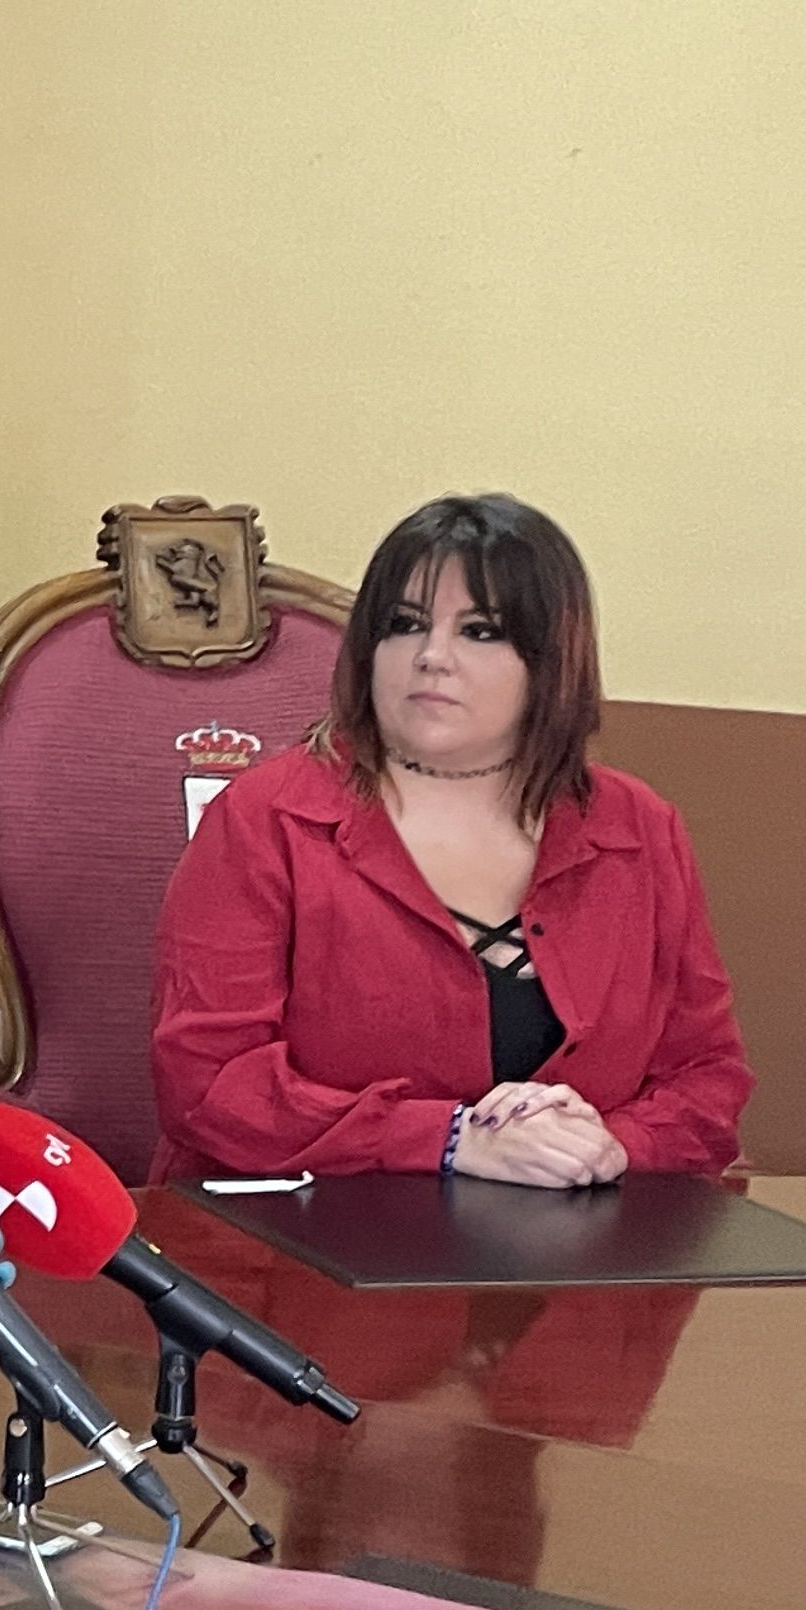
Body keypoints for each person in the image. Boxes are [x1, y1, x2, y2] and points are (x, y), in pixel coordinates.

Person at [149, 493, 750, 1185]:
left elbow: (708, 1079)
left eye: (481, 631)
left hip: (573, 1259)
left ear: (550, 659)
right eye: (404, 625)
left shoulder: (639, 828)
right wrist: (449, 1138)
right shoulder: (264, 818)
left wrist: (611, 1147)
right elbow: (207, 1087)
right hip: (301, 1249)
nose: (432, 656)